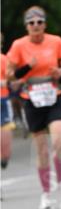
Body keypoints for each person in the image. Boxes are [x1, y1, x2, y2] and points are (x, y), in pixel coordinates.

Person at [5, 7, 61, 209]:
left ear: (45, 24)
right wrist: (28, 67)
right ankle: (46, 193)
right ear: (26, 26)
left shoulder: (56, 41)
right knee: (42, 150)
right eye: (31, 22)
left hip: (54, 95)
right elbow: (10, 75)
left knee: (59, 141)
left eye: (39, 21)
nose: (35, 25)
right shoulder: (19, 45)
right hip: (31, 99)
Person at [1, 34, 15, 171]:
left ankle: (4, 158)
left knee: (5, 151)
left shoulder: (4, 60)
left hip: (3, 102)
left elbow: (11, 79)